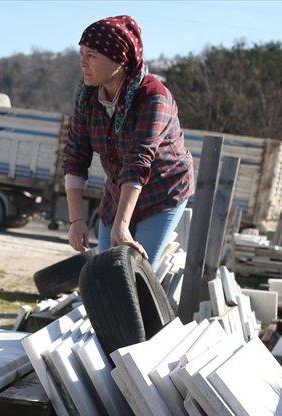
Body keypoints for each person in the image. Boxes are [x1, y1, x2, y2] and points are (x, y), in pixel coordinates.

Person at [63, 15, 194, 267]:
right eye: (81, 53)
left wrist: (122, 226)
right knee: (105, 270)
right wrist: (76, 220)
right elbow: (75, 156)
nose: (83, 62)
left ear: (120, 60)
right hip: (117, 194)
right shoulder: (86, 97)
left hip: (162, 192)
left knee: (135, 272)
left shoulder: (153, 96)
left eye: (92, 55)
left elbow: (138, 159)